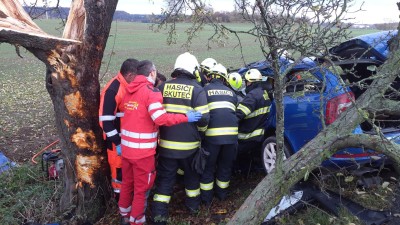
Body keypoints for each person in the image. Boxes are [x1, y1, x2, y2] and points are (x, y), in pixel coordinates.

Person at [118, 60, 202, 225]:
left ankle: (124, 215)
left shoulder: (128, 91)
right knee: (141, 189)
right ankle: (137, 221)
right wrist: (186, 117)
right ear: (152, 73)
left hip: (127, 150)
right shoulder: (152, 92)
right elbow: (160, 118)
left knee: (127, 183)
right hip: (143, 154)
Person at [152, 52, 210, 225]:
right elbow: (205, 119)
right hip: (189, 148)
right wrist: (200, 134)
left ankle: (159, 217)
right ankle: (193, 209)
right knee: (192, 179)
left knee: (165, 182)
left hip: (166, 148)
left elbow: (156, 116)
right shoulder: (198, 90)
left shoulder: (163, 88)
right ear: (193, 69)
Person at [99, 58, 139, 198]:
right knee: (119, 175)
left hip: (127, 140)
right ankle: (120, 206)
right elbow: (105, 122)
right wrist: (118, 142)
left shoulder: (126, 86)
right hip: (116, 143)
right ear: (129, 75)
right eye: (136, 77)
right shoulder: (113, 90)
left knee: (129, 174)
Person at [200, 63, 239, 205]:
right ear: (224, 78)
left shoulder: (204, 90)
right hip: (231, 138)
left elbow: (202, 115)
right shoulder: (232, 93)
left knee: (208, 168)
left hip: (212, 138)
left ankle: (206, 200)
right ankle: (222, 196)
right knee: (225, 166)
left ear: (210, 77)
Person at [236, 69, 271, 166]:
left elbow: (238, 115)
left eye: (246, 82)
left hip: (248, 136)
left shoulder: (252, 96)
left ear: (249, 82)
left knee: (229, 154)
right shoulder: (264, 93)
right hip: (259, 133)